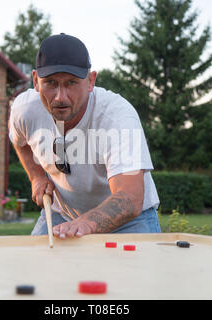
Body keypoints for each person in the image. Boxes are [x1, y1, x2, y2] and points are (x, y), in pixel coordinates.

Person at [9, 33, 160, 239]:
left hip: (130, 222)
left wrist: (86, 223)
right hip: (62, 216)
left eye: (71, 83)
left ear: (90, 81)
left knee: (133, 272)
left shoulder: (117, 117)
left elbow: (129, 198)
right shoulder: (25, 110)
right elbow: (20, 142)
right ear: (36, 81)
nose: (60, 97)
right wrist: (36, 176)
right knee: (35, 270)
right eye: (51, 83)